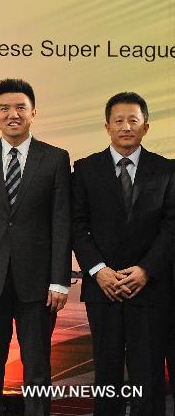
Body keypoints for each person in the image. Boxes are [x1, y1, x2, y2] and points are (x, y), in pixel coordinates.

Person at [0, 78, 71, 416]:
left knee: (37, 368)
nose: (13, 114)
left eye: (21, 107)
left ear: (33, 112)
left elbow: (61, 223)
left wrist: (59, 279)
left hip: (38, 284)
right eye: (4, 108)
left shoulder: (55, 159)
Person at [71, 92, 174, 415]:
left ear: (146, 127)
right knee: (107, 371)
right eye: (119, 121)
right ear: (107, 127)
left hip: (151, 288)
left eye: (133, 120)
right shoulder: (86, 169)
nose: (126, 127)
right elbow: (76, 225)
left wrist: (146, 270)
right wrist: (98, 269)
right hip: (104, 289)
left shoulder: (166, 170)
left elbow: (171, 227)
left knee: (149, 373)